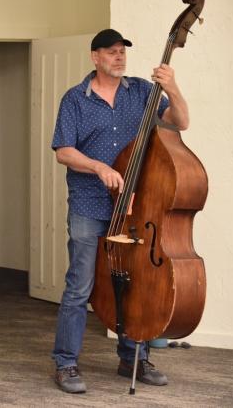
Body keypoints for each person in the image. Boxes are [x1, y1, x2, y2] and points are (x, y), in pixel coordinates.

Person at [50, 29, 190, 393]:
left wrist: (172, 88)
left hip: (132, 209)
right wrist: (99, 166)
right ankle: (66, 363)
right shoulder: (74, 100)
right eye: (111, 52)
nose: (119, 57)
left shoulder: (143, 92)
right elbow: (63, 151)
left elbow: (181, 122)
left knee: (134, 283)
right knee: (80, 285)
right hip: (88, 204)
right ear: (94, 57)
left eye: (122, 52)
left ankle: (133, 358)